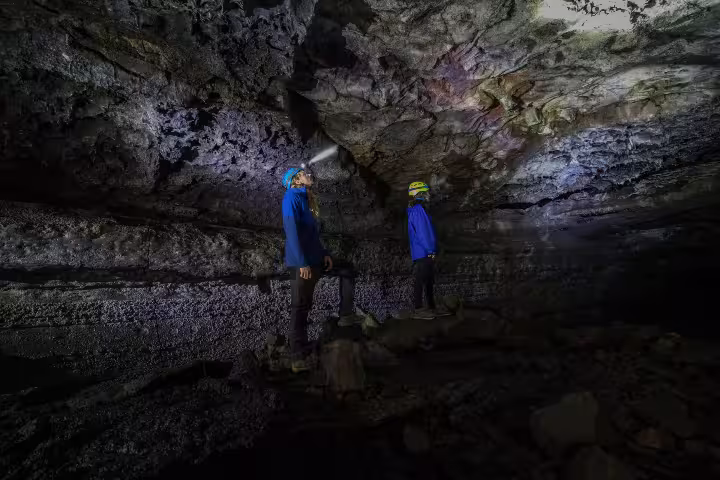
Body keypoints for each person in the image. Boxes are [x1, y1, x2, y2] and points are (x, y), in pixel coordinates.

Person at [282, 167, 362, 373]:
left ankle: (346, 315)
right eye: (305, 173)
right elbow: (291, 232)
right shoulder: (291, 196)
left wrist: (325, 253)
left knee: (346, 269)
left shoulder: (305, 200)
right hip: (300, 263)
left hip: (315, 259)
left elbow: (311, 235)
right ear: (296, 180)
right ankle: (297, 357)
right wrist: (301, 263)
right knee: (299, 306)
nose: (310, 174)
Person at [407, 181, 451, 320]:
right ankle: (418, 309)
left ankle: (431, 307)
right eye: (425, 192)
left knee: (428, 279)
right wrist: (431, 249)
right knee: (420, 279)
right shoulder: (418, 209)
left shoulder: (419, 208)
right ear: (419, 193)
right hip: (423, 251)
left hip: (424, 250)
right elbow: (423, 232)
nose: (428, 194)